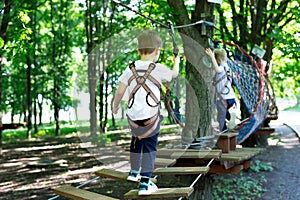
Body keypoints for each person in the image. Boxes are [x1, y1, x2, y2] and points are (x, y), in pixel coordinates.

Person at [113, 30, 180, 195]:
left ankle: (134, 172)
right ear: (157, 51)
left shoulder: (130, 69)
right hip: (151, 117)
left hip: (133, 117)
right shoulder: (158, 68)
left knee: (136, 142)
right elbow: (174, 75)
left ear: (138, 51)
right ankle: (144, 183)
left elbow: (120, 91)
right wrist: (176, 60)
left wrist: (115, 106)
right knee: (149, 147)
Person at [205, 48, 236, 132]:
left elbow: (217, 70)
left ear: (217, 60)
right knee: (222, 114)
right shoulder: (228, 68)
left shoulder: (221, 68)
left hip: (223, 98)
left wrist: (211, 57)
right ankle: (228, 116)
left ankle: (223, 133)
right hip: (230, 97)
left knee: (220, 118)